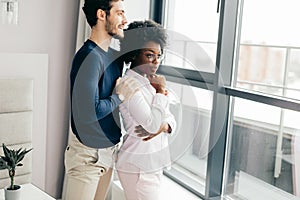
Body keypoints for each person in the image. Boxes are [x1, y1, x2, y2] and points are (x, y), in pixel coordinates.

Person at [62, 0, 140, 199]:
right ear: (101, 14)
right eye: (120, 13)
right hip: (88, 157)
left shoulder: (115, 57)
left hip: (109, 151)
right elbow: (89, 113)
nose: (125, 20)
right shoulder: (88, 57)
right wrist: (119, 96)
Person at [116, 20, 177, 200]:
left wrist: (163, 126)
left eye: (159, 55)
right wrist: (160, 92)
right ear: (134, 54)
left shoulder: (150, 82)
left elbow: (170, 120)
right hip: (138, 166)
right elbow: (150, 124)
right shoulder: (128, 84)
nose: (156, 62)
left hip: (152, 164)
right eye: (150, 55)